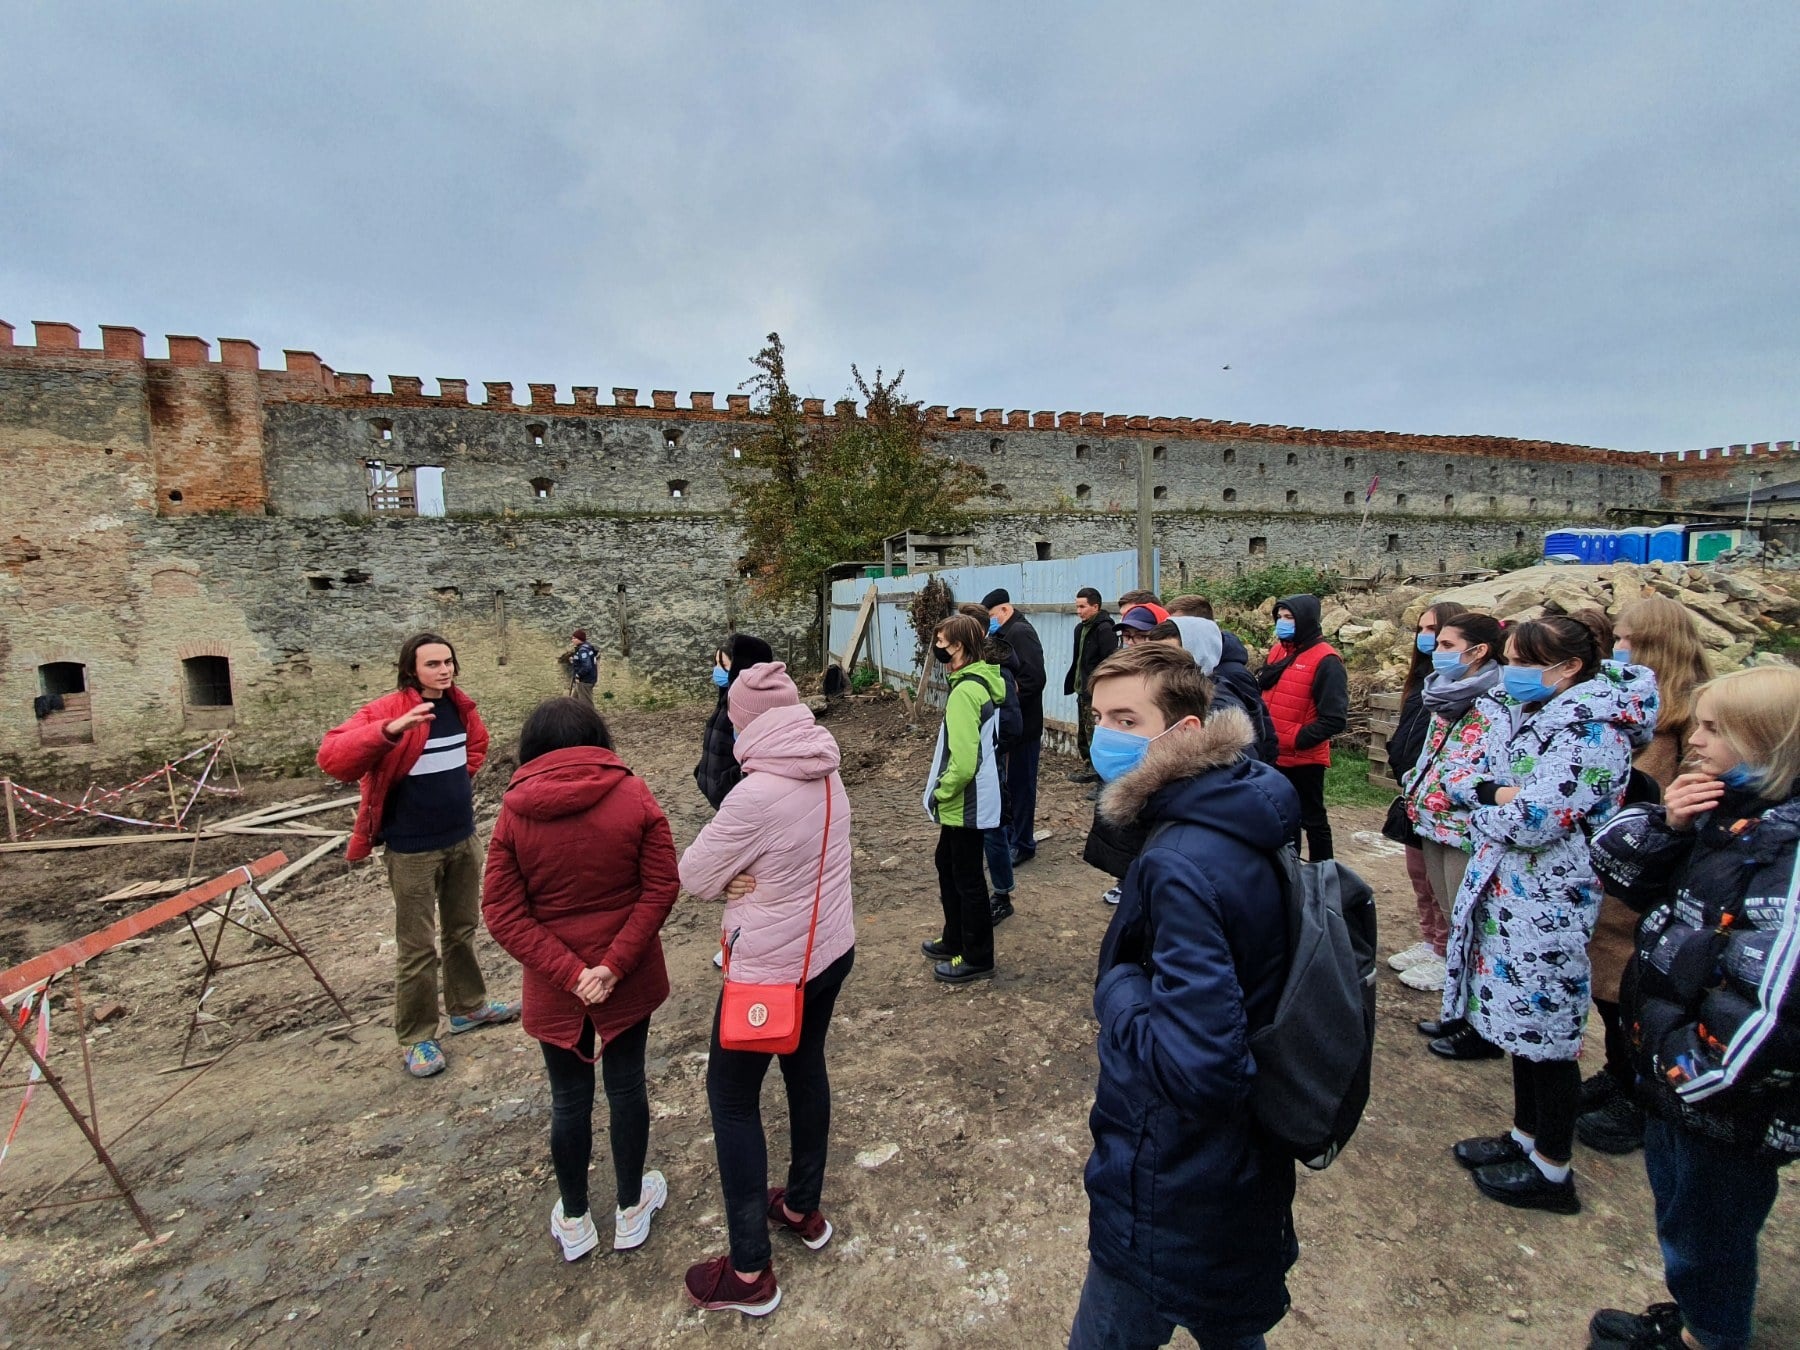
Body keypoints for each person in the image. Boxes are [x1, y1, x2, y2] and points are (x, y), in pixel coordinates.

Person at [1071, 644, 1301, 1349]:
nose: (1105, 736)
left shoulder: (1180, 859)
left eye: (1126, 720)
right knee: (1227, 1314)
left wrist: (1119, 986)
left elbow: (1198, 1069)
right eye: (1098, 717)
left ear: (1187, 731)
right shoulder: (1243, 802)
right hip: (1243, 1162)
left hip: (1170, 1174)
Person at [1583, 665, 1800, 1350]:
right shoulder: (1730, 818)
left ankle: (1709, 1336)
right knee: (1683, 1212)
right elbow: (1618, 870)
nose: (1692, 740)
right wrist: (1672, 825)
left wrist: (1688, 1072)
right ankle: (1698, 1315)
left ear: (1769, 742)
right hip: (1677, 1073)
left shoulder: (1787, 856)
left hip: (1724, 1096)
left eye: (1712, 728)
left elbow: (1775, 1008)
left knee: (1711, 1232)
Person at [1440, 612, 1656, 1215]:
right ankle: (1524, 1137)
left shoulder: (1594, 734)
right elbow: (1469, 777)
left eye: (1520, 662)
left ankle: (1552, 1170)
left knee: (1548, 1035)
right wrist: (1496, 795)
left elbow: (1535, 821)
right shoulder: (1536, 715)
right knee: (1520, 1025)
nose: (1508, 671)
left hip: (1552, 899)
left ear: (1568, 668)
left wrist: (1486, 804)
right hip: (1510, 891)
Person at [677, 662, 856, 1317]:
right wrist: (742, 872)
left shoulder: (754, 795)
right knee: (806, 1069)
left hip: (772, 974)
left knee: (731, 1099)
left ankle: (749, 1270)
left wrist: (730, 877)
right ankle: (803, 1208)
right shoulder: (826, 768)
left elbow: (693, 875)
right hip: (829, 953)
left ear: (743, 722)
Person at [480, 698, 677, 1261]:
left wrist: (570, 973)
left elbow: (502, 912)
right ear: (598, 737)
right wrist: (612, 965)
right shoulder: (633, 794)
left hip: (556, 984)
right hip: (626, 974)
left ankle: (575, 1218)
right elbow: (661, 885)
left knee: (568, 1100)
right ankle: (631, 1207)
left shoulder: (514, 813)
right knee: (627, 1086)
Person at [318, 632, 518, 1079]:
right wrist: (389, 732)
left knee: (462, 930)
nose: (444, 670)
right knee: (416, 947)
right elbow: (332, 757)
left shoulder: (460, 707)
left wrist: (451, 786)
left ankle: (467, 1007)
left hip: (461, 839)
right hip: (411, 849)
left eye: (448, 662)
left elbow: (475, 749)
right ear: (411, 669)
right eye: (433, 664)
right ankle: (417, 1036)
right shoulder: (387, 710)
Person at [1578, 595, 1711, 1157]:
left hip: (1652, 886)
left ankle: (1641, 1094)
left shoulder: (1692, 722)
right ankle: (1618, 1073)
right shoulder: (1627, 707)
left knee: (1639, 993)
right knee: (1609, 992)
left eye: (1626, 639)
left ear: (1655, 644)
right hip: (1613, 874)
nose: (1617, 648)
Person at [1403, 609, 1507, 1006]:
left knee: (1466, 912)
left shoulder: (1497, 701)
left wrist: (1459, 791)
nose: (1437, 650)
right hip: (1431, 815)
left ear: (1478, 651)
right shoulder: (1442, 692)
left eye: (1447, 644)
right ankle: (1444, 962)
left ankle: (1469, 997)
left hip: (1465, 823)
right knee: (1445, 904)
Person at [1385, 602, 1470, 989]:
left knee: (1444, 884)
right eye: (1421, 629)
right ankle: (1430, 939)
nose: (1426, 638)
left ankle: (1446, 951)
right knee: (1421, 875)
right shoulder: (1424, 680)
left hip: (1443, 803)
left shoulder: (1464, 690)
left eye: (1434, 630)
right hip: (1415, 794)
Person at [921, 613, 1006, 983]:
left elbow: (964, 760)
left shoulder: (965, 692)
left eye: (941, 642)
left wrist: (942, 792)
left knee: (967, 878)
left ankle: (977, 957)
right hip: (967, 798)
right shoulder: (974, 683)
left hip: (966, 800)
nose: (937, 647)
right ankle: (955, 937)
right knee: (947, 863)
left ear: (958, 646)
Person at [1257, 595, 1349, 861]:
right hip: (1274, 754)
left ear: (1306, 620)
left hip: (1303, 758)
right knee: (1283, 818)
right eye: (1279, 617)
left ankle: (1324, 872)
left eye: (1289, 617)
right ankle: (1289, 869)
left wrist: (1295, 739)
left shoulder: (1327, 660)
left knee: (1313, 820)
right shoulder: (1279, 651)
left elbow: (1334, 718)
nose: (1282, 623)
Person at [960, 602, 1025, 926]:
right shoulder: (971, 661)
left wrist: (993, 751)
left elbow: (1011, 722)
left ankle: (1002, 895)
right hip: (972, 757)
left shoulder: (996, 666)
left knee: (991, 827)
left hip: (988, 759)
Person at [1153, 617, 1279, 764]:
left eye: (1169, 655)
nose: (1154, 664)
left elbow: (1238, 769)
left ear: (1199, 654)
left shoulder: (1220, 709)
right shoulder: (1182, 693)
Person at [982, 588, 1046, 867]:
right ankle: (1010, 838)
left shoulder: (1020, 632)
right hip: (1009, 725)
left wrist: (1006, 698)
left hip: (1024, 725)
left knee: (1021, 786)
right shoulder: (1003, 634)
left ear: (1005, 610)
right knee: (1007, 786)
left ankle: (1022, 844)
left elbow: (1034, 679)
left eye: (991, 616)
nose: (990, 622)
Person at [694, 633, 775, 810]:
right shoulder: (725, 700)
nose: (716, 670)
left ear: (742, 666)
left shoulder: (751, 709)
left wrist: (727, 783)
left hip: (735, 799)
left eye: (723, 665)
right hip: (720, 795)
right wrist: (702, 771)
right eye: (716, 663)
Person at [1064, 587, 1118, 785]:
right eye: (1077, 607)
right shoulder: (1080, 629)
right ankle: (1090, 767)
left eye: (1082, 607)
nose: (1079, 611)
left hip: (1096, 691)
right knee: (1084, 734)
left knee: (1097, 734)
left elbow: (1109, 661)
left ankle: (1101, 777)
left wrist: (1100, 687)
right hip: (1083, 689)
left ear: (1095, 607)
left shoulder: (1105, 629)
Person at [559, 628, 600, 706]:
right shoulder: (587, 647)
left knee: (586, 704)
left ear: (580, 639)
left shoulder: (583, 650)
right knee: (574, 702)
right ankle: (572, 713)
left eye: (574, 638)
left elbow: (587, 666)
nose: (572, 640)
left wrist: (578, 674)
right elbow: (585, 661)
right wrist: (574, 660)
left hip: (585, 681)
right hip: (583, 681)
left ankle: (590, 714)